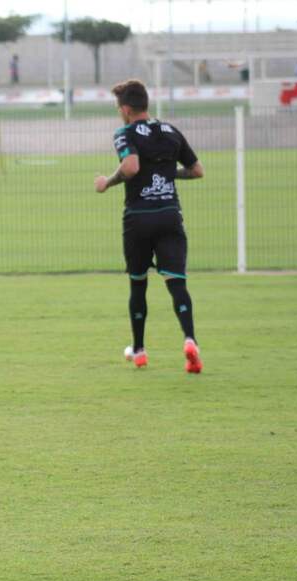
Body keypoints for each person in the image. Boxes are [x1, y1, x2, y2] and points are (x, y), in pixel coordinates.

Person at [94, 79, 204, 374]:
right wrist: (168, 175)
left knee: (138, 283)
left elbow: (130, 167)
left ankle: (140, 350)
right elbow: (197, 171)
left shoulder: (125, 133)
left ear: (127, 109)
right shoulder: (170, 131)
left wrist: (107, 182)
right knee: (176, 282)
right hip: (169, 214)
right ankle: (190, 341)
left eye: (119, 109)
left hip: (138, 218)